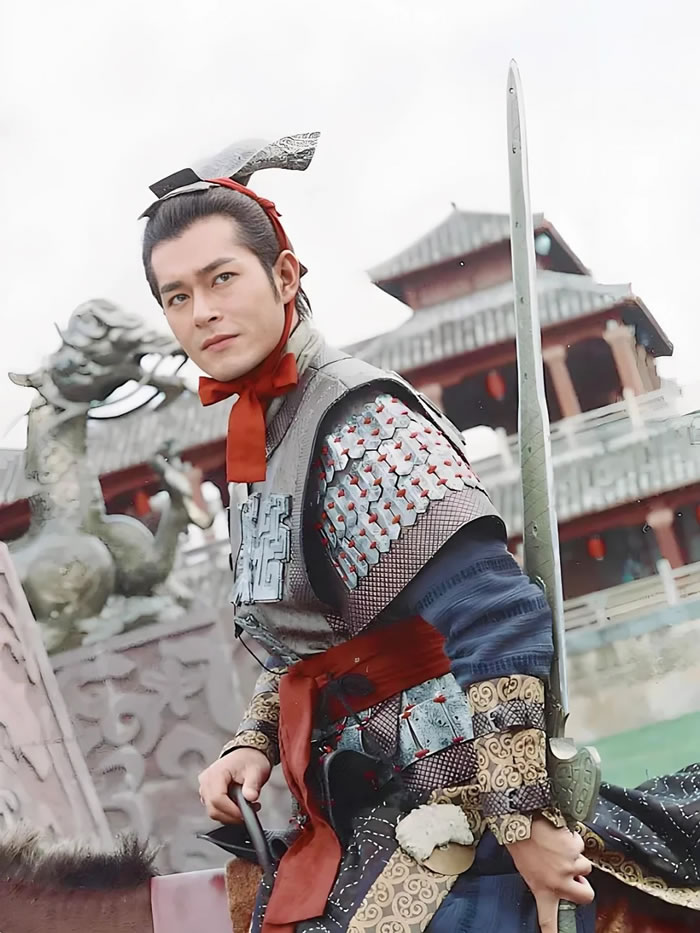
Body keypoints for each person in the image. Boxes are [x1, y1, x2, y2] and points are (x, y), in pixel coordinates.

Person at [139, 136, 699, 933]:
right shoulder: (262, 436)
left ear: (285, 276)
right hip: (362, 789)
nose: (202, 311)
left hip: (459, 778)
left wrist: (524, 820)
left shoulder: (358, 422)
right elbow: (310, 644)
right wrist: (251, 742)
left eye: (221, 278)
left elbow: (497, 616)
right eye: (177, 296)